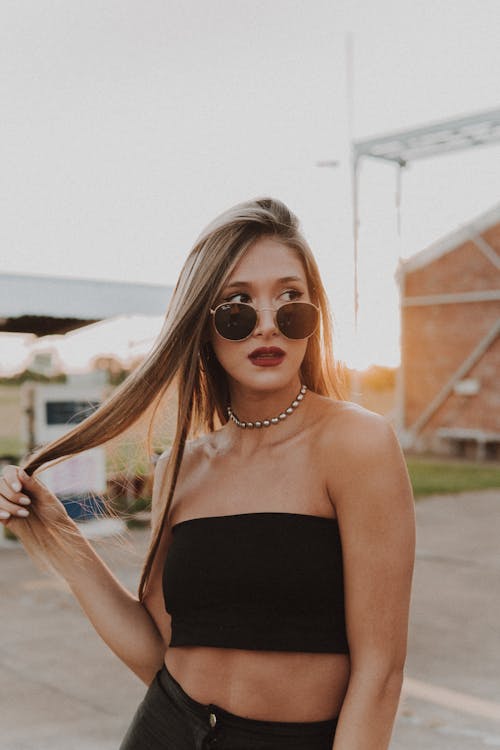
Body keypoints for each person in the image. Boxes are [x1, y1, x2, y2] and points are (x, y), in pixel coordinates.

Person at [0, 197, 416, 750]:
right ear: (202, 322)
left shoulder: (357, 443)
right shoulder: (181, 466)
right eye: (237, 305)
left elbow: (380, 675)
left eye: (291, 300)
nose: (268, 325)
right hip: (166, 729)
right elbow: (159, 652)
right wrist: (54, 533)